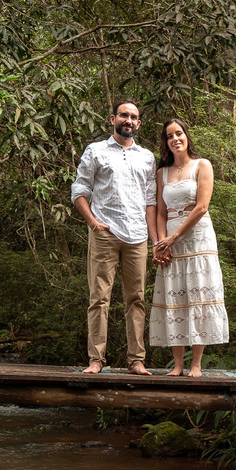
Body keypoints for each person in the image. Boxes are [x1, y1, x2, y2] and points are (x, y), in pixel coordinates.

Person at [72, 100, 159, 375]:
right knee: (99, 298)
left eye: (133, 117)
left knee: (136, 299)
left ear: (139, 123)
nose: (128, 120)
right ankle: (96, 360)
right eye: (124, 115)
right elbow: (80, 190)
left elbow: (150, 201)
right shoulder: (95, 150)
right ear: (113, 119)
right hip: (104, 234)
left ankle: (136, 361)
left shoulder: (146, 157)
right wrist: (93, 222)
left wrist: (154, 238)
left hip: (137, 236)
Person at [148, 118, 229, 377]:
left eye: (179, 133)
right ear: (166, 142)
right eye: (170, 136)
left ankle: (196, 364)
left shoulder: (202, 165)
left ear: (186, 136)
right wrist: (162, 243)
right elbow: (161, 212)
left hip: (198, 237)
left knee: (198, 296)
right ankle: (178, 364)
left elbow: (202, 206)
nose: (175, 139)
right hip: (170, 238)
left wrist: (175, 237)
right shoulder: (162, 173)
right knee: (175, 295)